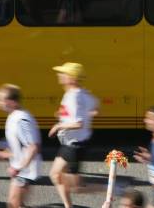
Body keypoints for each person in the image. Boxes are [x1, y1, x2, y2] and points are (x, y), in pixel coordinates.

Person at [49, 62, 99, 208]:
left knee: (76, 187)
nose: (60, 75)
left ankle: (117, 189)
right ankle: (68, 206)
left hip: (74, 145)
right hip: (71, 143)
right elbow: (95, 108)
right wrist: (65, 116)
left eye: (63, 73)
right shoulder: (83, 94)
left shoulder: (73, 97)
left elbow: (78, 123)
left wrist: (59, 125)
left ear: (72, 78)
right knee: (56, 175)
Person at [0, 84, 42, 208]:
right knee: (15, 204)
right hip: (21, 168)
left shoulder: (21, 120)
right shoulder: (14, 116)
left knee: (14, 204)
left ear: (12, 102)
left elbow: (33, 147)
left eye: (0, 99)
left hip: (26, 169)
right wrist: (5, 154)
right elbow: (20, 146)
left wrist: (19, 168)